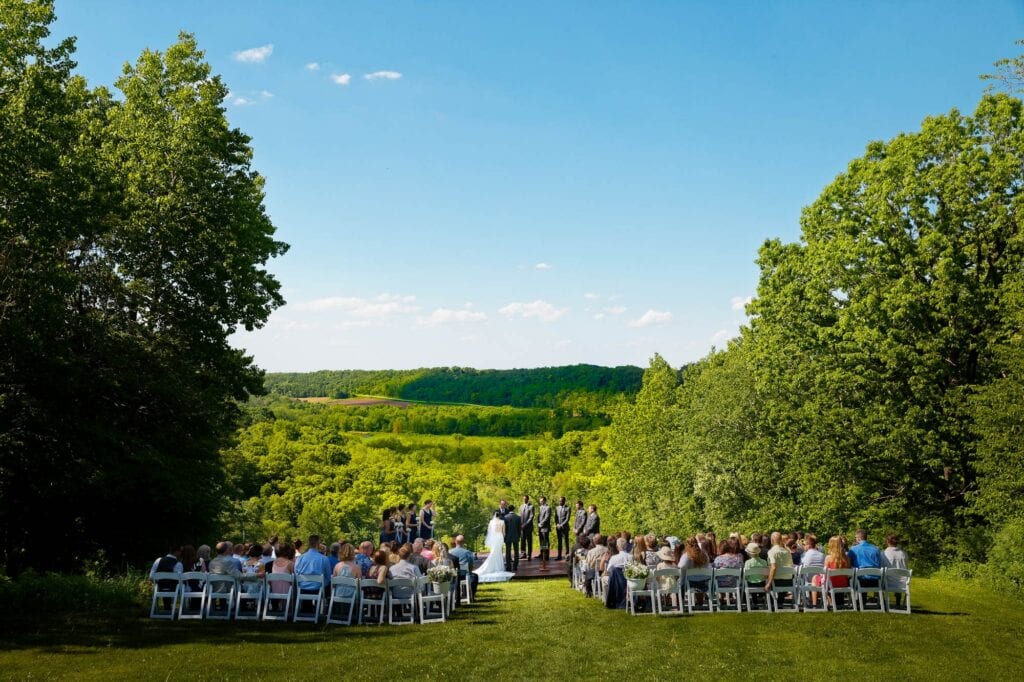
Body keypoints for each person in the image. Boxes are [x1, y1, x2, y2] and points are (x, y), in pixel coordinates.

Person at [294, 534, 331, 602]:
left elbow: (296, 574)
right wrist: (322, 584)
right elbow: (328, 577)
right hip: (318, 588)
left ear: (308, 543)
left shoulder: (300, 558)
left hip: (303, 588)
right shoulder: (324, 559)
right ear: (318, 544)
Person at [765, 531, 794, 606]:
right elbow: (791, 566)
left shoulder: (771, 552)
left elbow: (773, 567)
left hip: (777, 582)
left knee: (766, 580)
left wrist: (768, 583)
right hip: (789, 581)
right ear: (781, 540)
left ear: (771, 540)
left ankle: (772, 604)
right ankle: (779, 602)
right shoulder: (787, 552)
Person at [825, 535, 853, 609]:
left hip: (831, 584)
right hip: (844, 584)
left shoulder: (828, 558)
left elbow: (825, 573)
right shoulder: (847, 558)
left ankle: (830, 602)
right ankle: (837, 603)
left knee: (817, 579)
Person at [884, 534, 910, 608]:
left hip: (888, 583)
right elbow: (905, 567)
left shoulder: (884, 553)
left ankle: (880, 601)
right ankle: (898, 603)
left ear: (887, 541)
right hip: (903, 583)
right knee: (899, 577)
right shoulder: (904, 554)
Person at [801, 534, 826, 607]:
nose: (803, 546)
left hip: (808, 579)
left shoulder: (804, 555)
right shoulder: (822, 555)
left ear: (808, 545)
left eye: (804, 544)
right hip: (820, 580)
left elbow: (802, 567)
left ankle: (808, 600)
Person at [743, 542, 768, 609]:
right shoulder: (764, 562)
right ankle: (762, 598)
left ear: (749, 553)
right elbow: (766, 575)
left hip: (751, 584)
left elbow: (746, 576)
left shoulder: (747, 562)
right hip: (762, 583)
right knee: (760, 581)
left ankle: (755, 602)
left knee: (750, 581)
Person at [537, 495, 552, 570]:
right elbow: (539, 516)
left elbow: (547, 517)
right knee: (541, 541)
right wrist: (538, 524)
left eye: (542, 501)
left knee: (545, 541)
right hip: (540, 527)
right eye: (540, 501)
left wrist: (541, 523)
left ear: (545, 501)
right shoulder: (540, 507)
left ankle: (546, 555)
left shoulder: (548, 508)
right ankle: (541, 553)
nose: (541, 502)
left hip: (545, 527)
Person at [554, 496, 571, 560]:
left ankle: (566, 555)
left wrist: (561, 525)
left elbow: (567, 518)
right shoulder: (557, 508)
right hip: (558, 527)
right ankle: (559, 555)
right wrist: (557, 524)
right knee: (559, 542)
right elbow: (555, 517)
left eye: (561, 501)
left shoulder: (568, 508)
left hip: (565, 527)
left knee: (566, 541)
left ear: (564, 501)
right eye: (559, 501)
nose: (560, 502)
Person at [519, 495, 535, 561]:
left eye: (525, 499)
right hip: (522, 527)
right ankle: (523, 554)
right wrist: (520, 524)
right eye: (523, 499)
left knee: (529, 541)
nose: (524, 500)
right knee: (522, 541)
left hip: (528, 527)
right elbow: (520, 516)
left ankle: (529, 555)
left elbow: (531, 517)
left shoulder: (531, 507)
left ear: (528, 499)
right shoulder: (521, 506)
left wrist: (525, 524)